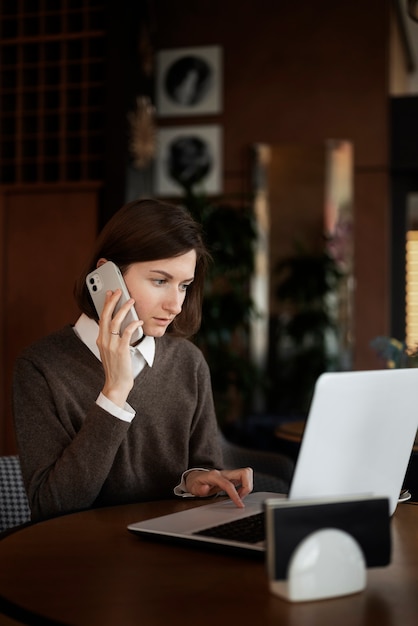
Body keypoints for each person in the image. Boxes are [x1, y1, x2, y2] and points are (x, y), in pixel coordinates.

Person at [13, 199, 253, 522]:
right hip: (82, 560)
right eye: (160, 281)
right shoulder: (40, 368)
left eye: (184, 286)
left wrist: (194, 480)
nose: (176, 305)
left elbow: (205, 467)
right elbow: (51, 507)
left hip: (169, 555)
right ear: (107, 275)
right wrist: (114, 394)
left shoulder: (188, 363)